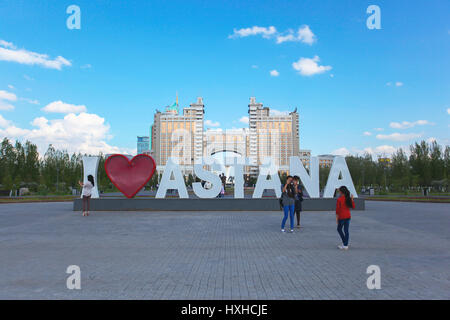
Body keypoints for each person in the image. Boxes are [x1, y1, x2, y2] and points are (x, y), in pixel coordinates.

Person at [335, 186, 355, 250]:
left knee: (339, 229)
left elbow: (338, 210)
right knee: (346, 230)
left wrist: (337, 218)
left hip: (342, 216)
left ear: (341, 192)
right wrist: (352, 199)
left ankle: (345, 243)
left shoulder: (339, 199)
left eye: (339, 191)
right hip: (348, 216)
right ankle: (345, 245)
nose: (339, 192)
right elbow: (353, 207)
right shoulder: (348, 198)